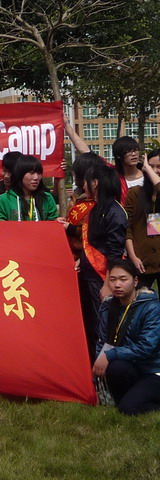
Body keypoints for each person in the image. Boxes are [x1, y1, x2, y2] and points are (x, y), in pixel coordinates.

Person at [62, 164, 127, 362]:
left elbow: (114, 253)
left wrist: (108, 284)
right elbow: (91, 240)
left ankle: (103, 367)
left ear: (95, 183)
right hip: (88, 274)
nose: (83, 186)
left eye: (86, 182)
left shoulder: (114, 211)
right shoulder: (96, 208)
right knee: (89, 323)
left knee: (102, 325)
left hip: (101, 277)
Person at [93, 258, 160, 415]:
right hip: (131, 367)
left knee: (128, 409)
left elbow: (146, 347)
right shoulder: (108, 306)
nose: (117, 284)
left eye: (123, 279)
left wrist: (110, 354)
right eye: (112, 280)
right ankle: (130, 397)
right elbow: (102, 342)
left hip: (153, 370)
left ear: (135, 281)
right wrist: (97, 379)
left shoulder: (151, 307)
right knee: (116, 369)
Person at [124, 150, 160, 293]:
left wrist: (148, 169)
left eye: (159, 167)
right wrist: (133, 256)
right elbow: (127, 228)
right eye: (151, 167)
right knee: (140, 301)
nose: (155, 171)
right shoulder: (135, 193)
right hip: (142, 261)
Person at [0, 155, 58, 221]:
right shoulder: (3, 200)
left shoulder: (47, 198)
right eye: (31, 173)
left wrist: (57, 222)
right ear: (20, 174)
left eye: (39, 173)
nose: (36, 177)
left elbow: (52, 224)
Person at [64, 152, 104, 259]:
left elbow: (95, 233)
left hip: (88, 256)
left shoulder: (98, 201)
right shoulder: (76, 195)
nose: (73, 174)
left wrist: (71, 229)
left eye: (75, 171)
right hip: (70, 253)